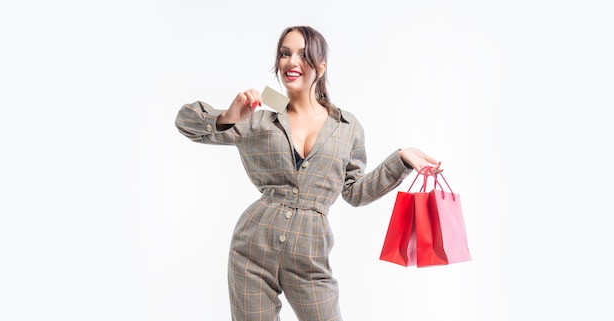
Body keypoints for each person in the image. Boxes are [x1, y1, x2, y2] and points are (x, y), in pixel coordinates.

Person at [175, 25, 441, 321]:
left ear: (321, 66)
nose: (291, 62)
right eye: (285, 54)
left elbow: (355, 192)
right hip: (251, 249)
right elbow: (185, 121)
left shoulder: (347, 127)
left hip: (310, 255)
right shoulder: (258, 118)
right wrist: (227, 116)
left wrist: (400, 160)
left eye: (303, 55)